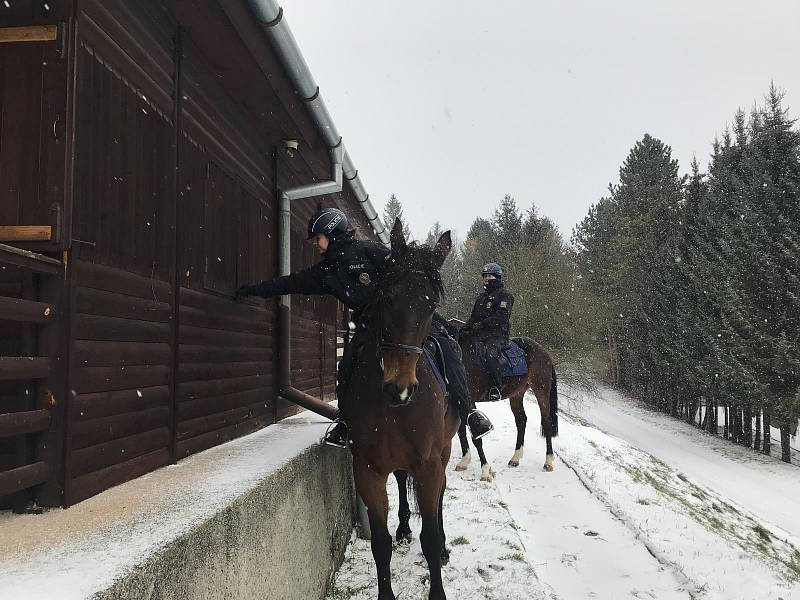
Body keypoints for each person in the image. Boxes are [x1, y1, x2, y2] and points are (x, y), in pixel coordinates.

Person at [236, 207, 493, 447]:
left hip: (404, 319)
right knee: (347, 363)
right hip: (371, 327)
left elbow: (404, 268)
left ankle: (470, 412)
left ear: (332, 234)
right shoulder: (325, 272)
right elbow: (290, 283)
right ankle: (344, 422)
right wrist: (256, 290)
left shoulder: (368, 250)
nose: (316, 244)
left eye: (318, 238)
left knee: (447, 346)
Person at [462, 262, 514, 402]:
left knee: (490, 355)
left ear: (497, 277)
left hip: (496, 335)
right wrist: (466, 327)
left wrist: (482, 325)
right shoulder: (481, 297)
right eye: (485, 276)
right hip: (479, 334)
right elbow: (473, 317)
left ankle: (495, 388)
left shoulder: (504, 296)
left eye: (489, 276)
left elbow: (502, 317)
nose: (486, 279)